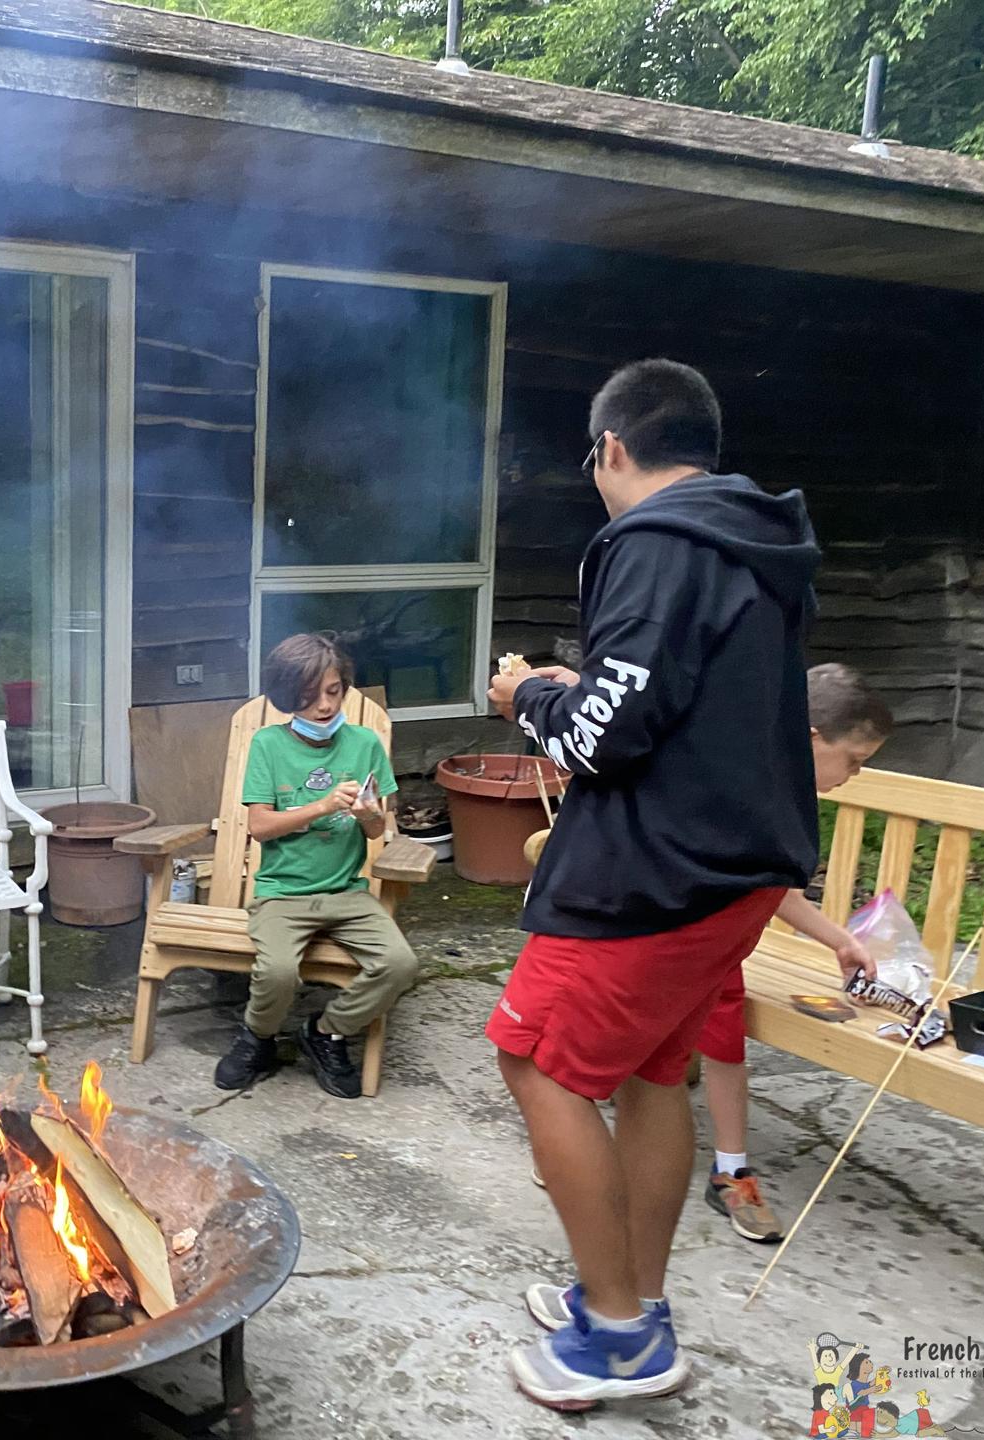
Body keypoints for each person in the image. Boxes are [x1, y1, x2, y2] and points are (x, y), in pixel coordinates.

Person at [486, 359, 821, 1409]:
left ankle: (621, 1337)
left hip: (651, 876)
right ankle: (634, 1297)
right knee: (649, 1075)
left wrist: (528, 696)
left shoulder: (655, 541)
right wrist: (582, 689)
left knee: (536, 1063)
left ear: (613, 448)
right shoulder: (752, 540)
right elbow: (678, 699)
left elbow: (604, 738)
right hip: (736, 869)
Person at [700, 662, 893, 1242]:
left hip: (720, 954)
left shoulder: (792, 799)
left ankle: (732, 1170)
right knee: (623, 1040)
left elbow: (778, 893)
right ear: (810, 738)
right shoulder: (733, 781)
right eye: (854, 759)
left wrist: (841, 939)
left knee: (725, 1047)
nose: (856, 774)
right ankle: (570, 1146)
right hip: (670, 941)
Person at [214, 632, 420, 1100]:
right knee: (277, 973)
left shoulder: (365, 743)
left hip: (347, 893)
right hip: (283, 894)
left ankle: (325, 1031)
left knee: (400, 964)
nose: (325, 706)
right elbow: (260, 827)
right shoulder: (267, 744)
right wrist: (324, 805)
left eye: (333, 691)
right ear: (288, 696)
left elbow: (376, 829)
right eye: (309, 696)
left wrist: (368, 815)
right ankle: (257, 1039)